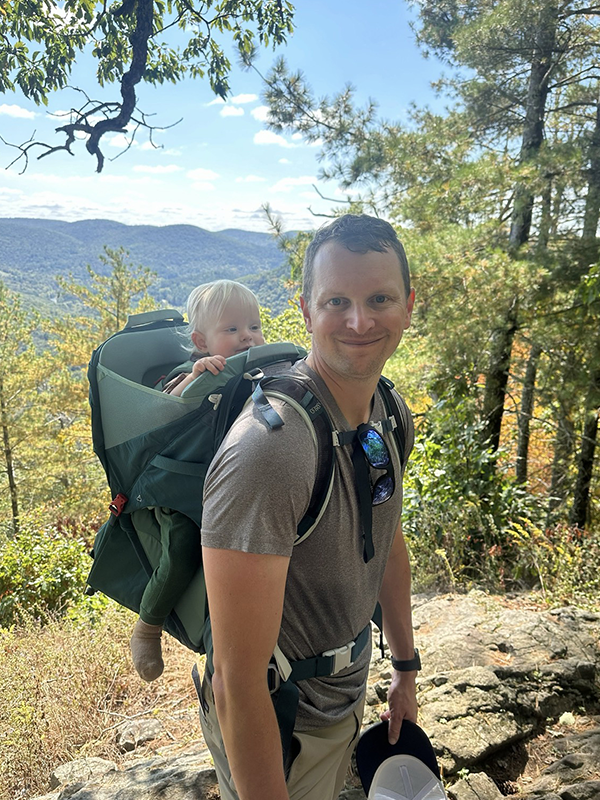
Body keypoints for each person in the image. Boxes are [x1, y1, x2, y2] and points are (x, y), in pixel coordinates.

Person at [197, 214, 418, 800]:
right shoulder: (268, 451)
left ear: (408, 306)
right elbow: (236, 683)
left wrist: (405, 667)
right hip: (283, 720)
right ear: (305, 311)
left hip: (346, 694)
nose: (359, 321)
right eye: (336, 301)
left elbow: (386, 538)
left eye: (379, 299)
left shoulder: (389, 412)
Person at [130, 279, 265, 681]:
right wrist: (196, 377)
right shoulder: (190, 373)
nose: (247, 336)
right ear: (201, 342)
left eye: (254, 326)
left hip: (236, 480)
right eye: (232, 329)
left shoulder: (257, 369)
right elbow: (167, 408)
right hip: (185, 484)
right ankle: (148, 625)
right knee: (184, 547)